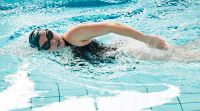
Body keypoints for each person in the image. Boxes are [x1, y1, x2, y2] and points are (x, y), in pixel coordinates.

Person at [29, 22, 168, 51]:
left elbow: (112, 26)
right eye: (47, 44)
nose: (53, 41)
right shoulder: (53, 51)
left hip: (127, 52)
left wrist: (146, 39)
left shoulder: (74, 35)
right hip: (116, 61)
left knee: (178, 57)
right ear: (42, 50)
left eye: (49, 34)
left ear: (51, 30)